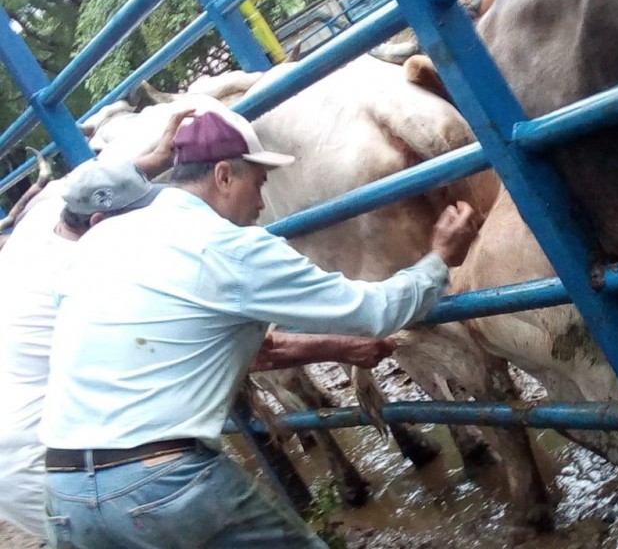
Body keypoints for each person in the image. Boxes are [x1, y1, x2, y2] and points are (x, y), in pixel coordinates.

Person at [38, 107, 478, 548]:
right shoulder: (231, 248)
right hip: (162, 486)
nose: (262, 204)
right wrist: (438, 259)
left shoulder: (99, 242)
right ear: (224, 175)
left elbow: (214, 348)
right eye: (259, 184)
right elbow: (374, 311)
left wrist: (339, 348)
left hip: (65, 496)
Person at [0, 109, 192, 540]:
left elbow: (87, 186)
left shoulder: (45, 218)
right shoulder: (86, 278)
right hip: (42, 462)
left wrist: (157, 158)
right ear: (101, 225)